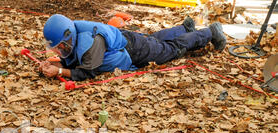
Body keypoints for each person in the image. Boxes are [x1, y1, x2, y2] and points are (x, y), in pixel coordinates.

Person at [39, 14, 226, 81]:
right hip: (127, 41)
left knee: (172, 50)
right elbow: (69, 57)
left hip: (133, 51)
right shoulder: (74, 33)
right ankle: (185, 28)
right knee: (154, 40)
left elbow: (88, 72)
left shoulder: (91, 42)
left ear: (68, 36)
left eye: (61, 47)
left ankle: (210, 32)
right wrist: (55, 64)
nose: (60, 51)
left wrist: (60, 72)